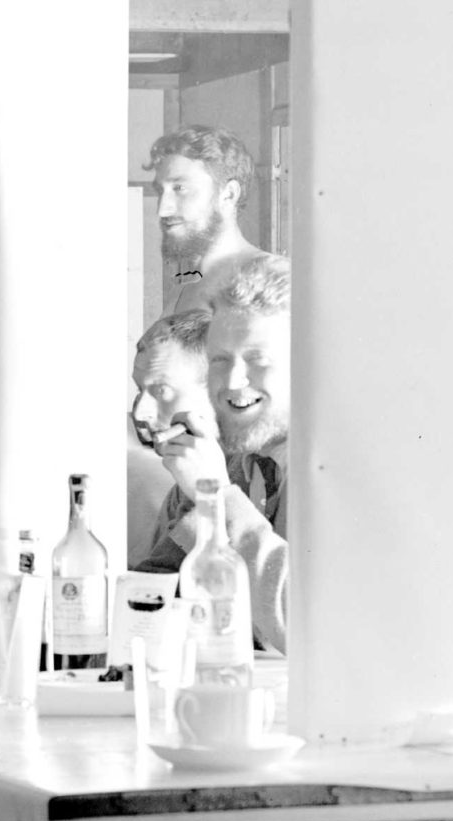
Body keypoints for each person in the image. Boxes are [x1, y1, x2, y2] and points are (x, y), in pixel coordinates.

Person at [134, 255, 291, 653]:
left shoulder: (337, 470)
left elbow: (307, 623)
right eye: (221, 360)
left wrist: (218, 497)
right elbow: (152, 596)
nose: (233, 381)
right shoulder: (234, 464)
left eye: (258, 360)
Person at [146, 125, 281, 317]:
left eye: (180, 188)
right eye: (160, 191)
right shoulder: (181, 296)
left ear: (229, 194)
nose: (162, 210)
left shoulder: (278, 279)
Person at [125, 310, 217, 564]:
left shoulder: (267, 472)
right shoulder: (180, 489)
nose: (140, 413)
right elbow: (153, 574)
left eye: (161, 391)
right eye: (140, 390)